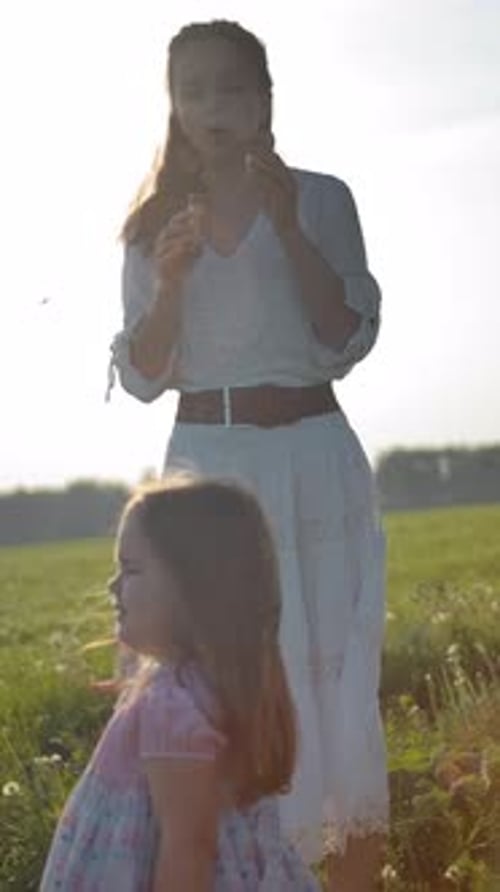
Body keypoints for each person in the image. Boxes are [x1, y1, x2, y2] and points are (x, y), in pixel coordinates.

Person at [109, 19, 388, 890]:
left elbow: (343, 338)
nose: (213, 106)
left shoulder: (323, 199)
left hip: (312, 454)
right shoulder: (151, 227)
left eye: (231, 87)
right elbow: (144, 375)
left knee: (333, 681)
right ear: (175, 107)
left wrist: (288, 228)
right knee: (220, 681)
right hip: (210, 467)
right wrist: (171, 285)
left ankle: (347, 873)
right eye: (192, 90)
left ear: (265, 100)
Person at [40, 476, 321, 891]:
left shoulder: (171, 705)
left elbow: (188, 848)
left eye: (131, 569)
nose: (112, 586)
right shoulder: (220, 684)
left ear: (193, 589)